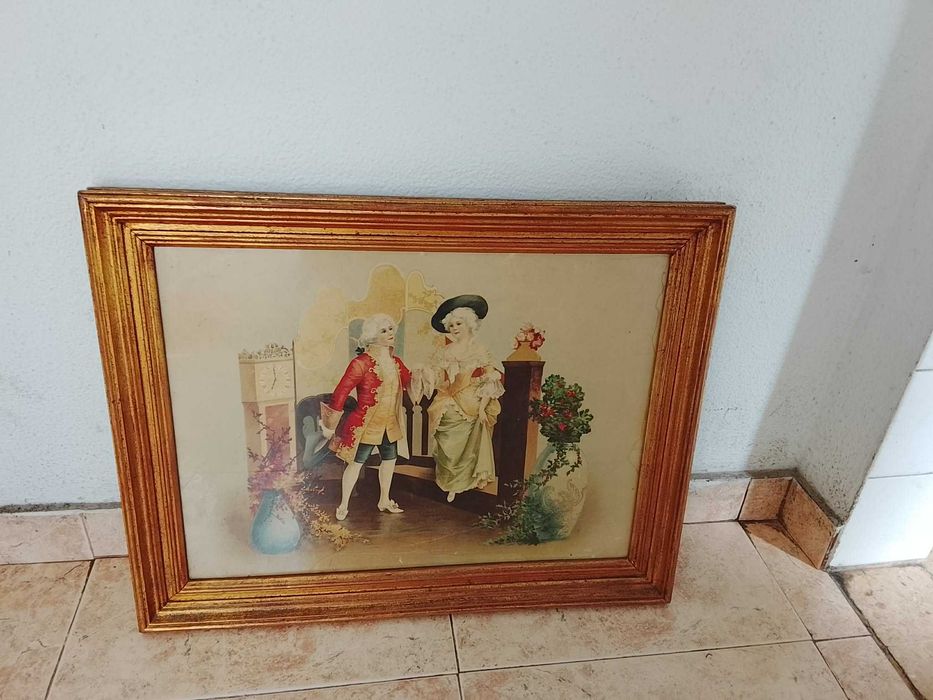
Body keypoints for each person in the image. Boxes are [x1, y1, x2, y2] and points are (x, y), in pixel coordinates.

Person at [320, 313, 412, 521]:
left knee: (389, 459)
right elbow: (342, 391)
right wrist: (329, 424)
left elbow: (409, 381)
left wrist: (427, 375)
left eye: (391, 329)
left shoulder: (396, 362)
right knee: (356, 463)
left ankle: (384, 500)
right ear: (373, 336)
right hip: (366, 423)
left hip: (390, 422)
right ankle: (343, 504)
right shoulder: (360, 363)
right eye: (383, 331)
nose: (390, 333)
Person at [415, 295, 504, 502]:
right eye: (452, 325)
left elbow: (490, 379)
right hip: (448, 397)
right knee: (445, 432)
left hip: (472, 398)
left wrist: (482, 408)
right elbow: (437, 376)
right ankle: (450, 482)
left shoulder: (479, 349)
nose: (454, 328)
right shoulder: (445, 351)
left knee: (468, 436)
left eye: (459, 324)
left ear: (469, 324)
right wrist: (423, 372)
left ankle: (466, 481)